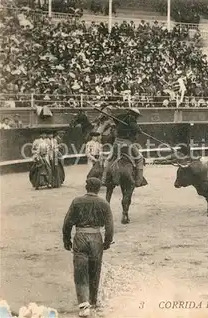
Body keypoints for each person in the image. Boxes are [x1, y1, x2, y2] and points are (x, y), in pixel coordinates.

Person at [62, 178, 114, 317]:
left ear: (86, 187)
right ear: (98, 188)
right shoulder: (104, 203)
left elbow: (67, 223)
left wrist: (66, 240)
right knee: (95, 270)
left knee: (80, 271)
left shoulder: (77, 201)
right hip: (96, 238)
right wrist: (107, 242)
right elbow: (110, 227)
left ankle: (83, 305)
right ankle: (93, 302)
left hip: (80, 237)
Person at [101, 108, 147, 187]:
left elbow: (115, 120)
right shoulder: (132, 120)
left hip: (116, 143)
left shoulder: (120, 117)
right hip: (128, 144)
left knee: (108, 159)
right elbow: (138, 130)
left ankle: (104, 178)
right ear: (135, 115)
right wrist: (140, 130)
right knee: (140, 159)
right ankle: (139, 180)